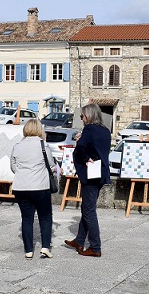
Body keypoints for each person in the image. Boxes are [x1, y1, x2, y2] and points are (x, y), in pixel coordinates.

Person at [64, 103, 111, 257]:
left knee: (89, 211)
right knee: (87, 208)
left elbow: (81, 148)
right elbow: (97, 148)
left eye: (82, 116)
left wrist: (84, 156)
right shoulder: (105, 130)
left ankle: (95, 247)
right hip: (101, 174)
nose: (81, 119)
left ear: (89, 115)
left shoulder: (89, 129)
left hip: (91, 174)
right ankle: (79, 240)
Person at [10, 118, 56, 259]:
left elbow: (13, 167)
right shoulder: (43, 145)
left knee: (26, 218)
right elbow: (52, 165)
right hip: (40, 186)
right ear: (39, 129)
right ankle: (45, 247)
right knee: (45, 217)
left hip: (21, 187)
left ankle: (29, 250)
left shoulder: (17, 146)